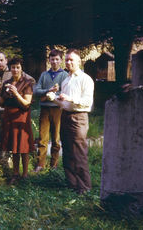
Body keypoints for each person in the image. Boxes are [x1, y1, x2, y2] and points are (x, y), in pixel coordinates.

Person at [55, 49, 94, 194]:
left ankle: (84, 187)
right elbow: (64, 103)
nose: (68, 62)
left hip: (79, 118)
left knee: (79, 152)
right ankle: (72, 184)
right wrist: (54, 98)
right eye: (66, 60)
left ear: (79, 61)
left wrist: (70, 98)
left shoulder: (85, 79)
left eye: (71, 60)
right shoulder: (66, 80)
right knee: (67, 151)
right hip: (65, 116)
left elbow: (87, 102)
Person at [0, 58, 35, 184]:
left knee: (23, 146)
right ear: (10, 68)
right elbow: (2, 102)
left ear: (21, 68)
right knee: (14, 145)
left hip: (22, 116)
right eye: (13, 67)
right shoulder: (6, 83)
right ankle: (15, 173)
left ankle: (25, 174)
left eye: (18, 67)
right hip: (9, 116)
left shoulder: (27, 83)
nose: (15, 70)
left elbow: (27, 103)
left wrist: (16, 93)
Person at [33, 49, 68, 172]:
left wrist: (54, 94)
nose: (54, 61)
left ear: (61, 60)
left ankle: (54, 164)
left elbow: (65, 92)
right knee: (43, 137)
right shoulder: (44, 75)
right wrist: (48, 91)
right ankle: (40, 164)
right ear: (49, 60)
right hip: (45, 109)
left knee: (56, 138)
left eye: (57, 59)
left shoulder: (64, 75)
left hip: (57, 109)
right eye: (52, 59)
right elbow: (36, 90)